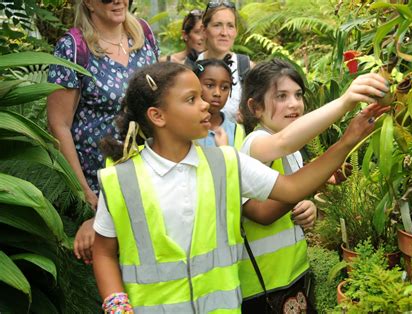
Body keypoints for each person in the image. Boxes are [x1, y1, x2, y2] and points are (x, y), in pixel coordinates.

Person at [91, 62, 389, 313]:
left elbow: (292, 188)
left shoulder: (226, 163)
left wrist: (347, 142)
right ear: (158, 116)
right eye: (191, 99)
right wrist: (116, 305)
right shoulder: (121, 179)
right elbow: (103, 251)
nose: (206, 103)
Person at [238, 59, 390, 312]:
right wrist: (345, 102)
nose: (294, 104)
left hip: (294, 275)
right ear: (255, 107)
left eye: (298, 95)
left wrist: (308, 205)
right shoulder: (255, 143)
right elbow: (264, 213)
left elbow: (293, 193)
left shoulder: (294, 154)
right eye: (281, 96)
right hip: (261, 286)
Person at [46, 0, 159, 265]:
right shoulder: (74, 48)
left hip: (146, 178)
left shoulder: (143, 35)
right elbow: (58, 124)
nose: (118, 1)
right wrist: (84, 192)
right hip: (98, 184)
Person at [191, 0, 253, 123]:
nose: (224, 33)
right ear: (204, 30)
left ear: (236, 31)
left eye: (230, 26)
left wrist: (250, 116)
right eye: (217, 25)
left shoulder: (246, 67)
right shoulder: (191, 69)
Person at [192, 56, 245, 148]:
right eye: (210, 85)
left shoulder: (237, 131)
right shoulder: (184, 126)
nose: (217, 93)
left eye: (224, 87)